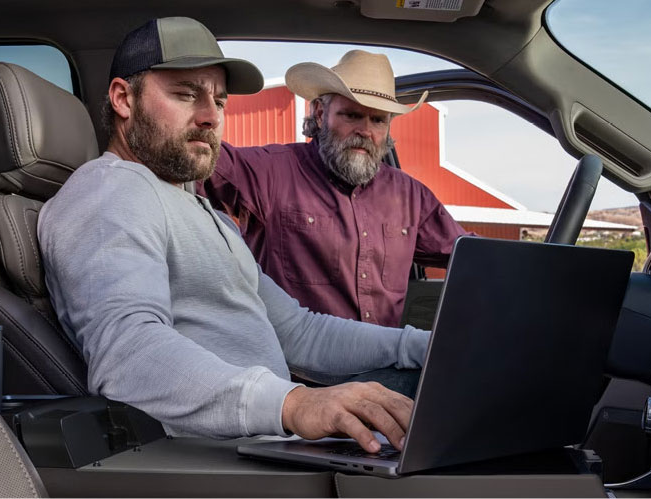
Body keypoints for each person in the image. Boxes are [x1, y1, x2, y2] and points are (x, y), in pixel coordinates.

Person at [39, 17, 429, 454]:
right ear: (123, 99)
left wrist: (422, 345)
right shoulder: (109, 190)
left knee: (450, 385)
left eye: (219, 101)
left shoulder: (206, 213)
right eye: (186, 94)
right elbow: (127, 355)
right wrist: (294, 404)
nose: (210, 117)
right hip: (217, 464)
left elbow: (300, 333)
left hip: (269, 443)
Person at [198, 50, 469, 328]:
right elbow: (195, 160)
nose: (365, 131)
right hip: (295, 368)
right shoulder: (271, 172)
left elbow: (473, 257)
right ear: (319, 113)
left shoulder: (411, 197)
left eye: (378, 120)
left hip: (385, 365)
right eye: (352, 115)